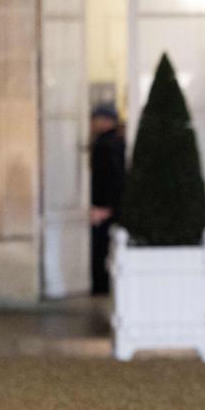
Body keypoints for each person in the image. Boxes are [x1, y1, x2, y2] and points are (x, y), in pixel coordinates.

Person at [88, 104, 126, 295]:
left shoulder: (104, 145)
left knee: (100, 248)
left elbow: (107, 179)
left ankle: (100, 287)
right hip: (113, 205)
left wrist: (103, 206)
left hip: (104, 206)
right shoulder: (117, 142)